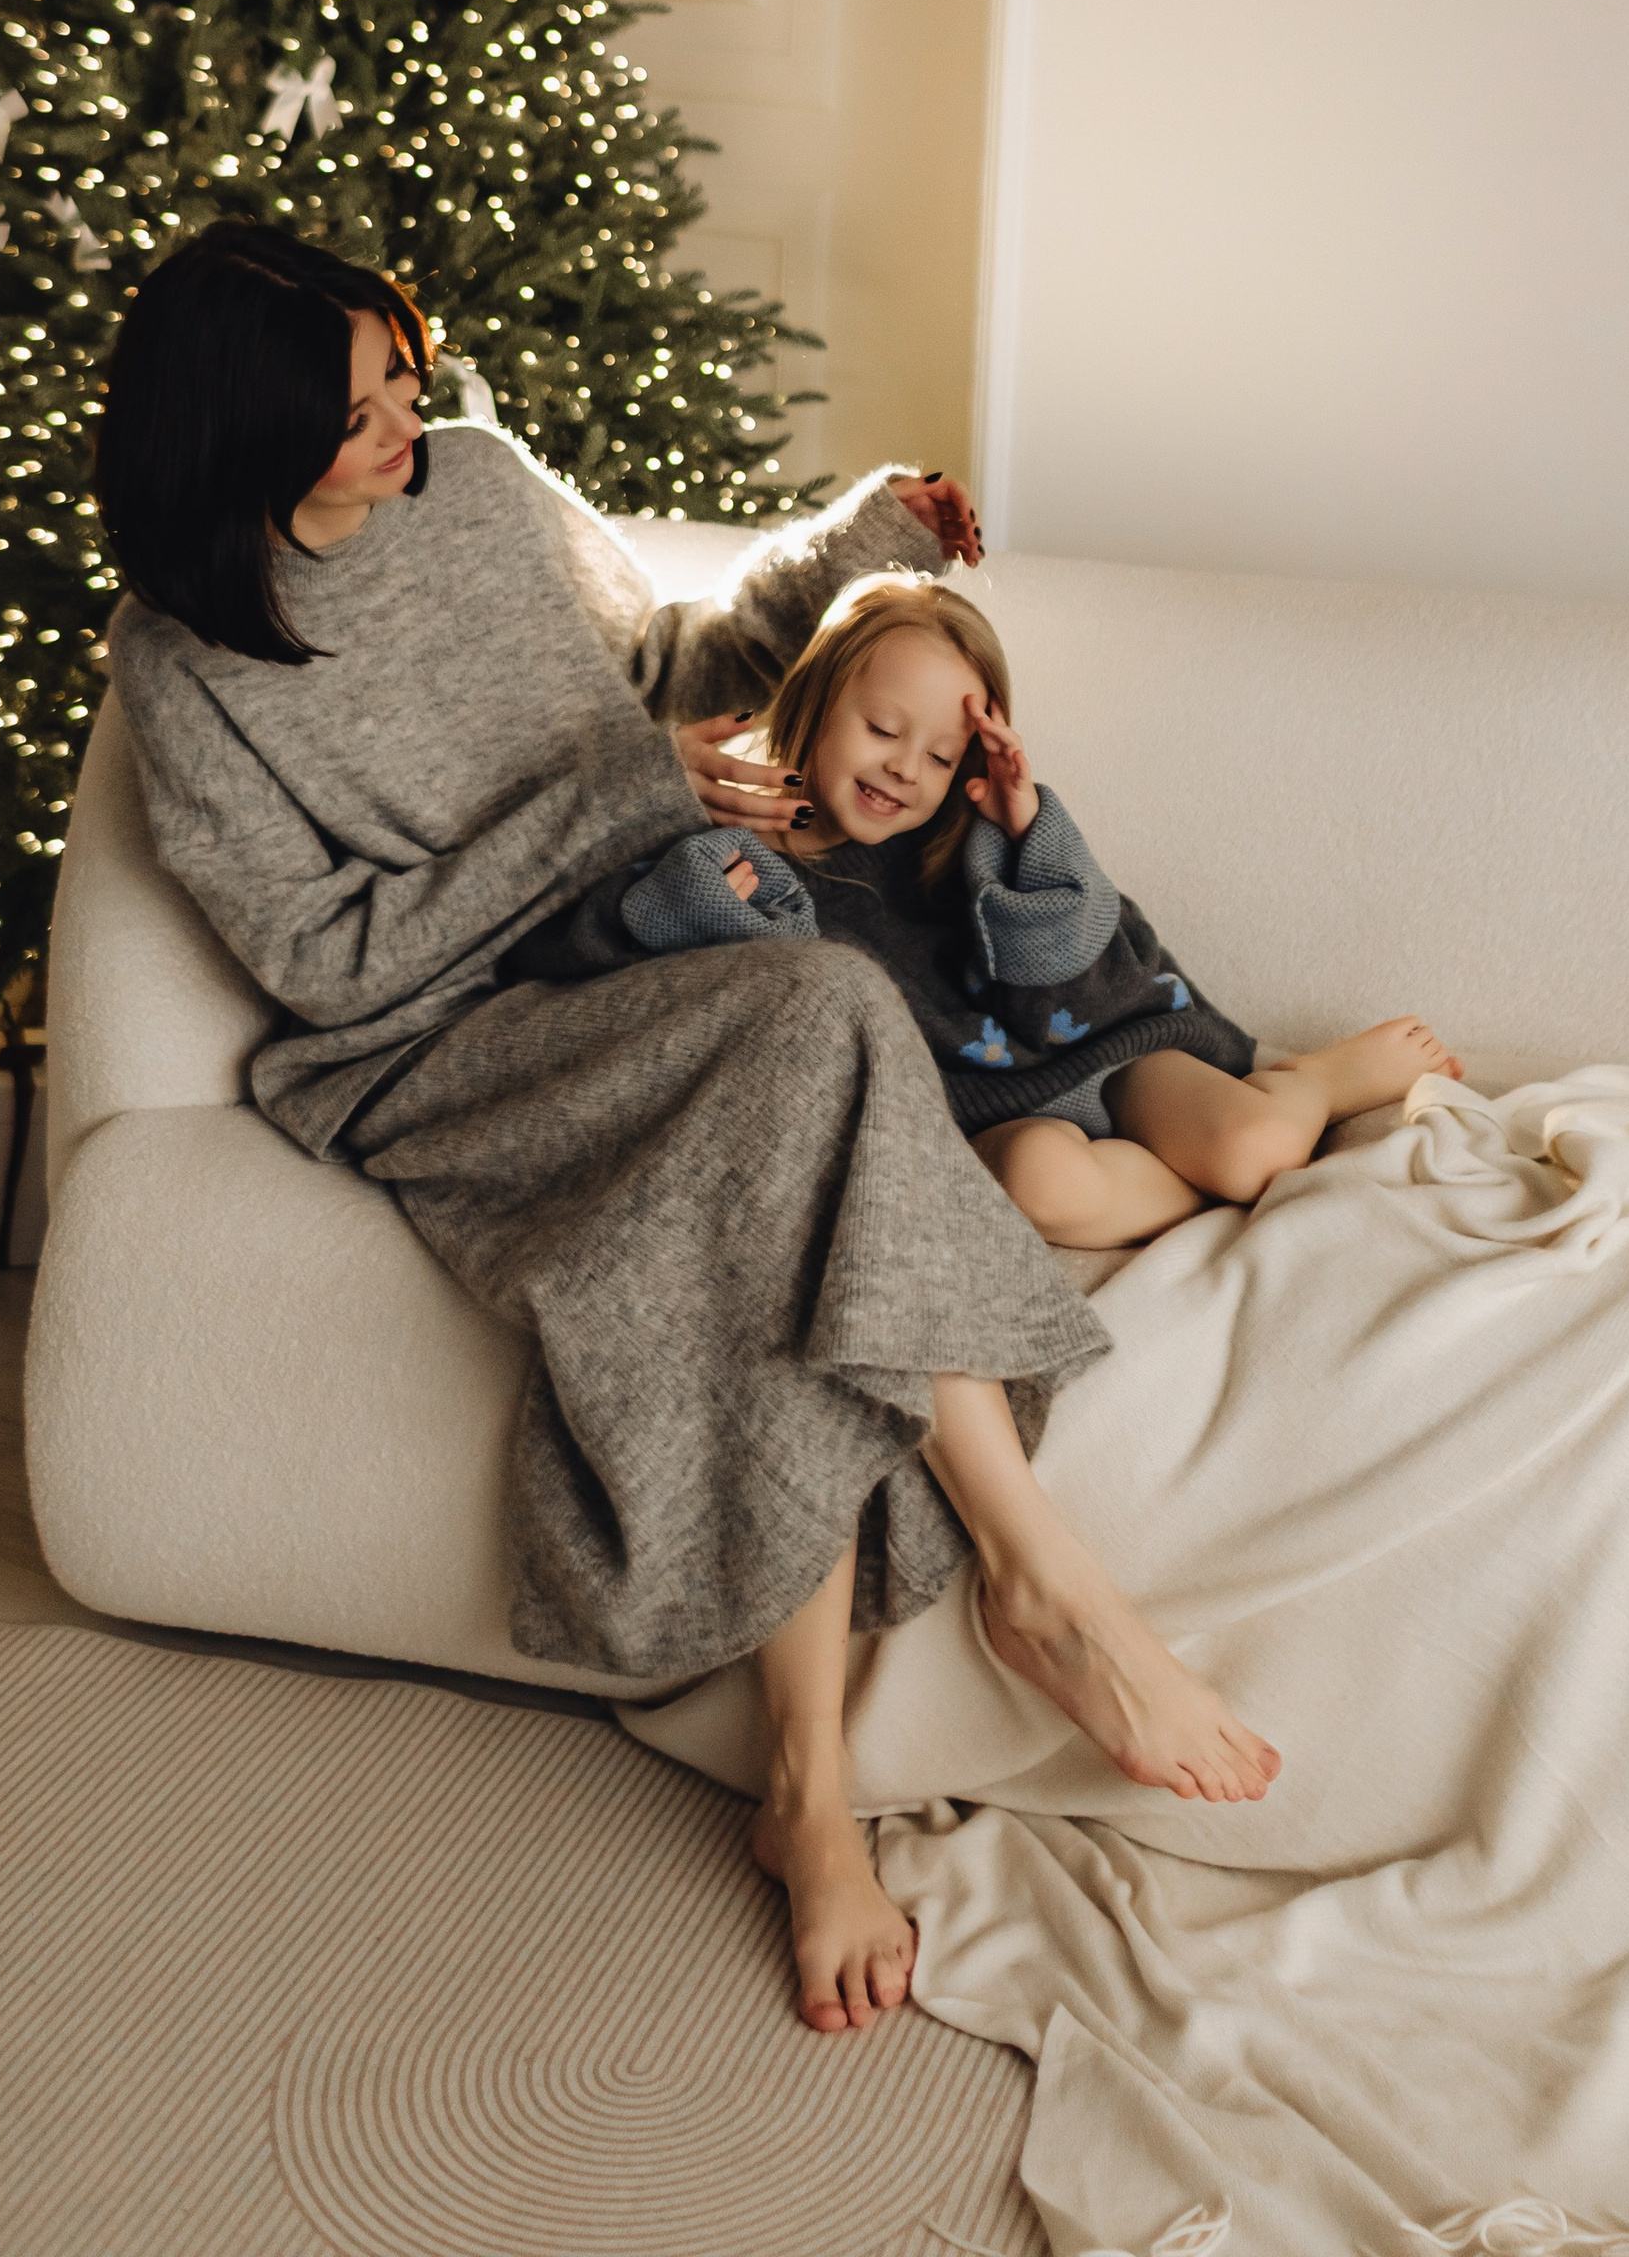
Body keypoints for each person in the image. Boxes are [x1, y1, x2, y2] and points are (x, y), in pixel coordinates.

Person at [92, 219, 1279, 2039]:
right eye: (359, 408)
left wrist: (863, 540)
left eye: (405, 368)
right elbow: (325, 966)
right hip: (449, 1050)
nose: (411, 415)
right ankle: (1042, 1584)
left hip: (665, 970)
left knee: (816, 1036)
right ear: (237, 436)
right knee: (813, 1029)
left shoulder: (478, 491)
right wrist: (608, 814)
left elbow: (659, 659)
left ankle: (824, 1776)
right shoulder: (187, 672)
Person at [600, 573, 1462, 1247]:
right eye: (883, 729)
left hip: (1113, 1049)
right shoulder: (743, 865)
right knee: (1041, 1189)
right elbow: (627, 962)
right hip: (998, 1121)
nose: (906, 769)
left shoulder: (979, 845)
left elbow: (1082, 991)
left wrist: (1022, 835)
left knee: (1253, 1150)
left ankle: (1308, 1080)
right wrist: (685, 892)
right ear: (815, 703)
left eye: (940, 755)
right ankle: (1224, 1162)